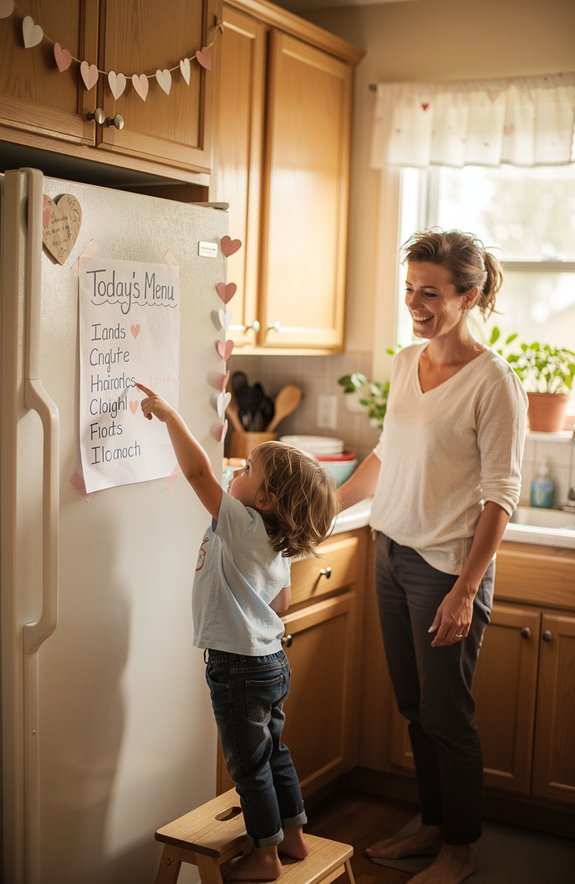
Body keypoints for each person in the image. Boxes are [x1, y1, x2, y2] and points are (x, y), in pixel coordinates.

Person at [338, 230, 527, 884]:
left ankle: (459, 848)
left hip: (444, 569)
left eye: (430, 293)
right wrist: (322, 510)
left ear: (468, 295)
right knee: (415, 708)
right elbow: (384, 456)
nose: (414, 304)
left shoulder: (493, 383)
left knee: (448, 716)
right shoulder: (404, 361)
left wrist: (463, 591)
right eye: (409, 289)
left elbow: (500, 496)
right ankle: (430, 823)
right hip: (387, 551)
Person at [136, 382, 338, 882]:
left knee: (248, 768)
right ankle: (292, 835)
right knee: (274, 751)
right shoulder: (274, 541)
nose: (235, 471)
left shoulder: (244, 524)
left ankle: (266, 854)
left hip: (237, 667)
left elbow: (198, 471)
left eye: (247, 471)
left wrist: (169, 415)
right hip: (270, 662)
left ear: (266, 499)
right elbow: (282, 602)